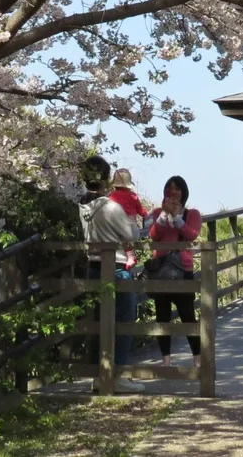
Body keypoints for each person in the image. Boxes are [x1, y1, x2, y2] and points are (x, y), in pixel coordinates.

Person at [79, 155, 144, 391]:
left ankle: (99, 375)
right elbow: (133, 235)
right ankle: (117, 375)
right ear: (106, 179)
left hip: (93, 268)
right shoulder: (111, 207)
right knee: (123, 321)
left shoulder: (82, 205)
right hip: (116, 269)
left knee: (98, 322)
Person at [143, 174, 203, 368]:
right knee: (162, 315)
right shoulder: (157, 212)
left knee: (187, 316)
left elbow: (192, 234)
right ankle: (166, 360)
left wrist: (176, 217)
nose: (174, 192)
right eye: (170, 188)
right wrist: (163, 216)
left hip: (183, 269)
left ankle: (197, 359)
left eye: (177, 188)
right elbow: (153, 235)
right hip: (160, 269)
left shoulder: (192, 214)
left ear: (184, 192)